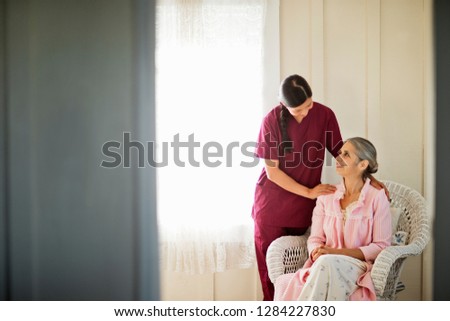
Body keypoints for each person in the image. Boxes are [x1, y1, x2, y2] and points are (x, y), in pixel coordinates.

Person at [251, 74, 344, 301]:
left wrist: (369, 178)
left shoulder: (324, 115)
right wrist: (310, 192)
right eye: (298, 110)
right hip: (271, 211)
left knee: (303, 282)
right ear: (284, 105)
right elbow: (272, 173)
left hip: (303, 213)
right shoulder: (270, 121)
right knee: (272, 284)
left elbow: (343, 154)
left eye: (309, 105)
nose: (305, 112)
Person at [273, 137, 392, 301]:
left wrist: (335, 253)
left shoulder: (377, 197)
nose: (338, 158)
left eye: (346, 155)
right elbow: (315, 238)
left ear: (363, 165)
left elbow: (381, 246)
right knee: (323, 264)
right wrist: (317, 251)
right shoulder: (326, 196)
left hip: (357, 266)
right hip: (323, 263)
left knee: (327, 263)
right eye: (340, 153)